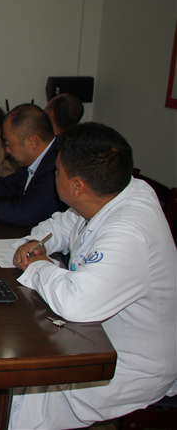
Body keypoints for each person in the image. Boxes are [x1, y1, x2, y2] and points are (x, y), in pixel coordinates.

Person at [10, 122, 177, 429]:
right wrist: (39, 242)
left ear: (77, 187)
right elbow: (63, 224)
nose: (53, 175)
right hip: (94, 337)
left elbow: (76, 303)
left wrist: (39, 266)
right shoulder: (111, 193)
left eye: (57, 171)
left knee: (17, 401)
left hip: (127, 364)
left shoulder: (129, 231)